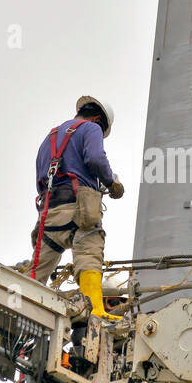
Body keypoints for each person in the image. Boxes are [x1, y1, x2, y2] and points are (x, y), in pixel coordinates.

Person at [25, 96, 124, 318]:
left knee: (37, 270)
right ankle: (97, 312)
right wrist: (111, 183)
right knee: (90, 250)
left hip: (50, 213)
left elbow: (41, 177)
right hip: (80, 209)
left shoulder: (50, 137)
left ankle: (19, 313)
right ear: (98, 119)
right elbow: (96, 159)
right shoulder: (91, 128)